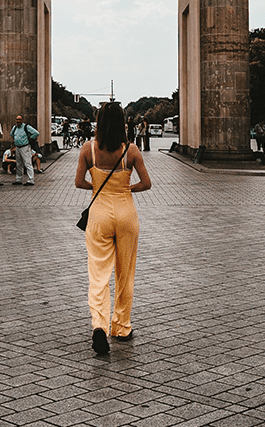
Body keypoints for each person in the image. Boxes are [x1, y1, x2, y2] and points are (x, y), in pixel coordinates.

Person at [75, 102, 153, 356]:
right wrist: (126, 188)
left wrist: (98, 186)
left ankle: (99, 325)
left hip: (99, 214)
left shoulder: (89, 149)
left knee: (98, 273)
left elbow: (78, 183)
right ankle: (121, 326)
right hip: (126, 213)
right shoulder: (130, 150)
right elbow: (146, 183)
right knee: (125, 272)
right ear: (122, 122)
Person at [10, 114, 40, 186]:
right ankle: (18, 179)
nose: (18, 121)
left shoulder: (26, 127)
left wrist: (30, 138)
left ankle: (30, 179)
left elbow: (36, 133)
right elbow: (11, 134)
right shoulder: (15, 127)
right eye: (17, 119)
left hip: (25, 147)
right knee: (18, 164)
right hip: (17, 147)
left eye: (19, 119)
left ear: (22, 120)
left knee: (27, 163)